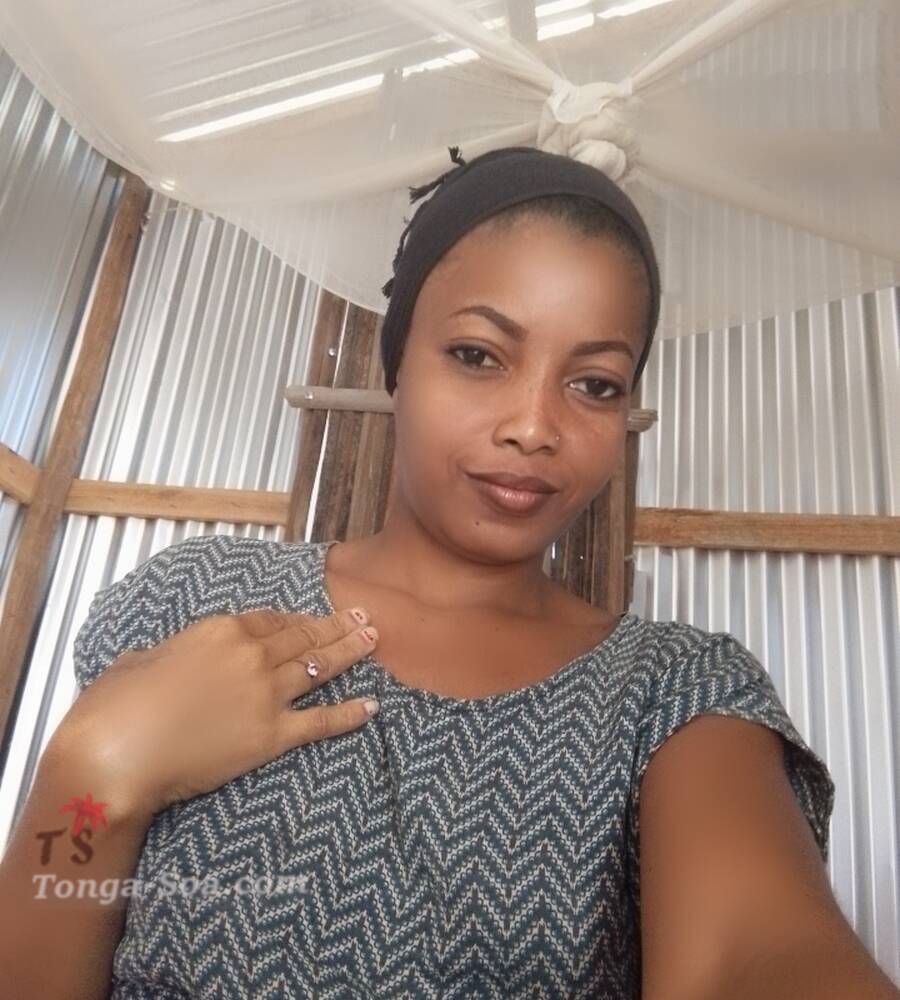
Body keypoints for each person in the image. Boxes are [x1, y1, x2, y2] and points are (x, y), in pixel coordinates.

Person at [2, 146, 888, 1000]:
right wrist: (89, 772)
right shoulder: (195, 598)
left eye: (595, 384)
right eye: (477, 355)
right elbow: (49, 904)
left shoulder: (675, 693)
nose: (533, 427)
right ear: (398, 364)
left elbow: (757, 954)